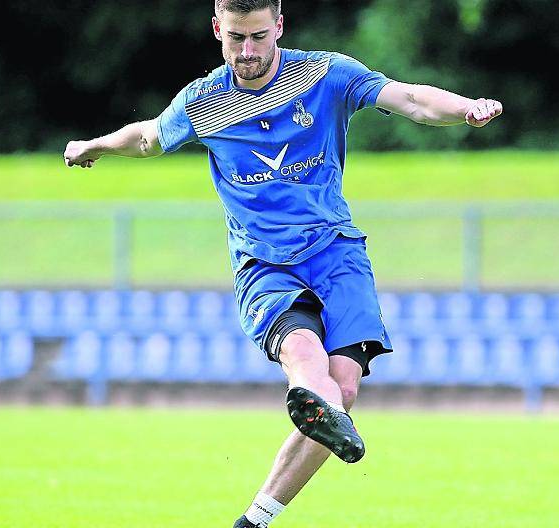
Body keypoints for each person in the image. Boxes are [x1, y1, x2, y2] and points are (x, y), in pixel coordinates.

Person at [62, 1, 503, 526]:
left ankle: (255, 518)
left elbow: (409, 99)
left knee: (343, 389)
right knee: (305, 355)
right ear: (217, 29)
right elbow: (147, 138)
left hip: (337, 252)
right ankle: (311, 396)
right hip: (264, 263)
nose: (247, 51)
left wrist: (467, 108)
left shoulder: (324, 74)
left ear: (279, 26)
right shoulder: (204, 102)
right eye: (235, 38)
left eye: (257, 36)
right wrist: (94, 145)